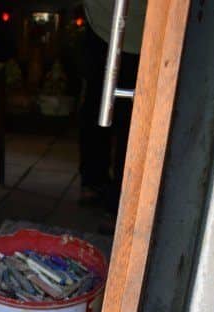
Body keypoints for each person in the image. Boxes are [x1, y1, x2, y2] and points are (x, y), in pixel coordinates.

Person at [79, 0, 147, 214]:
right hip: (111, 22)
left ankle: (118, 197)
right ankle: (104, 188)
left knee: (127, 115)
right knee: (101, 106)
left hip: (137, 27)